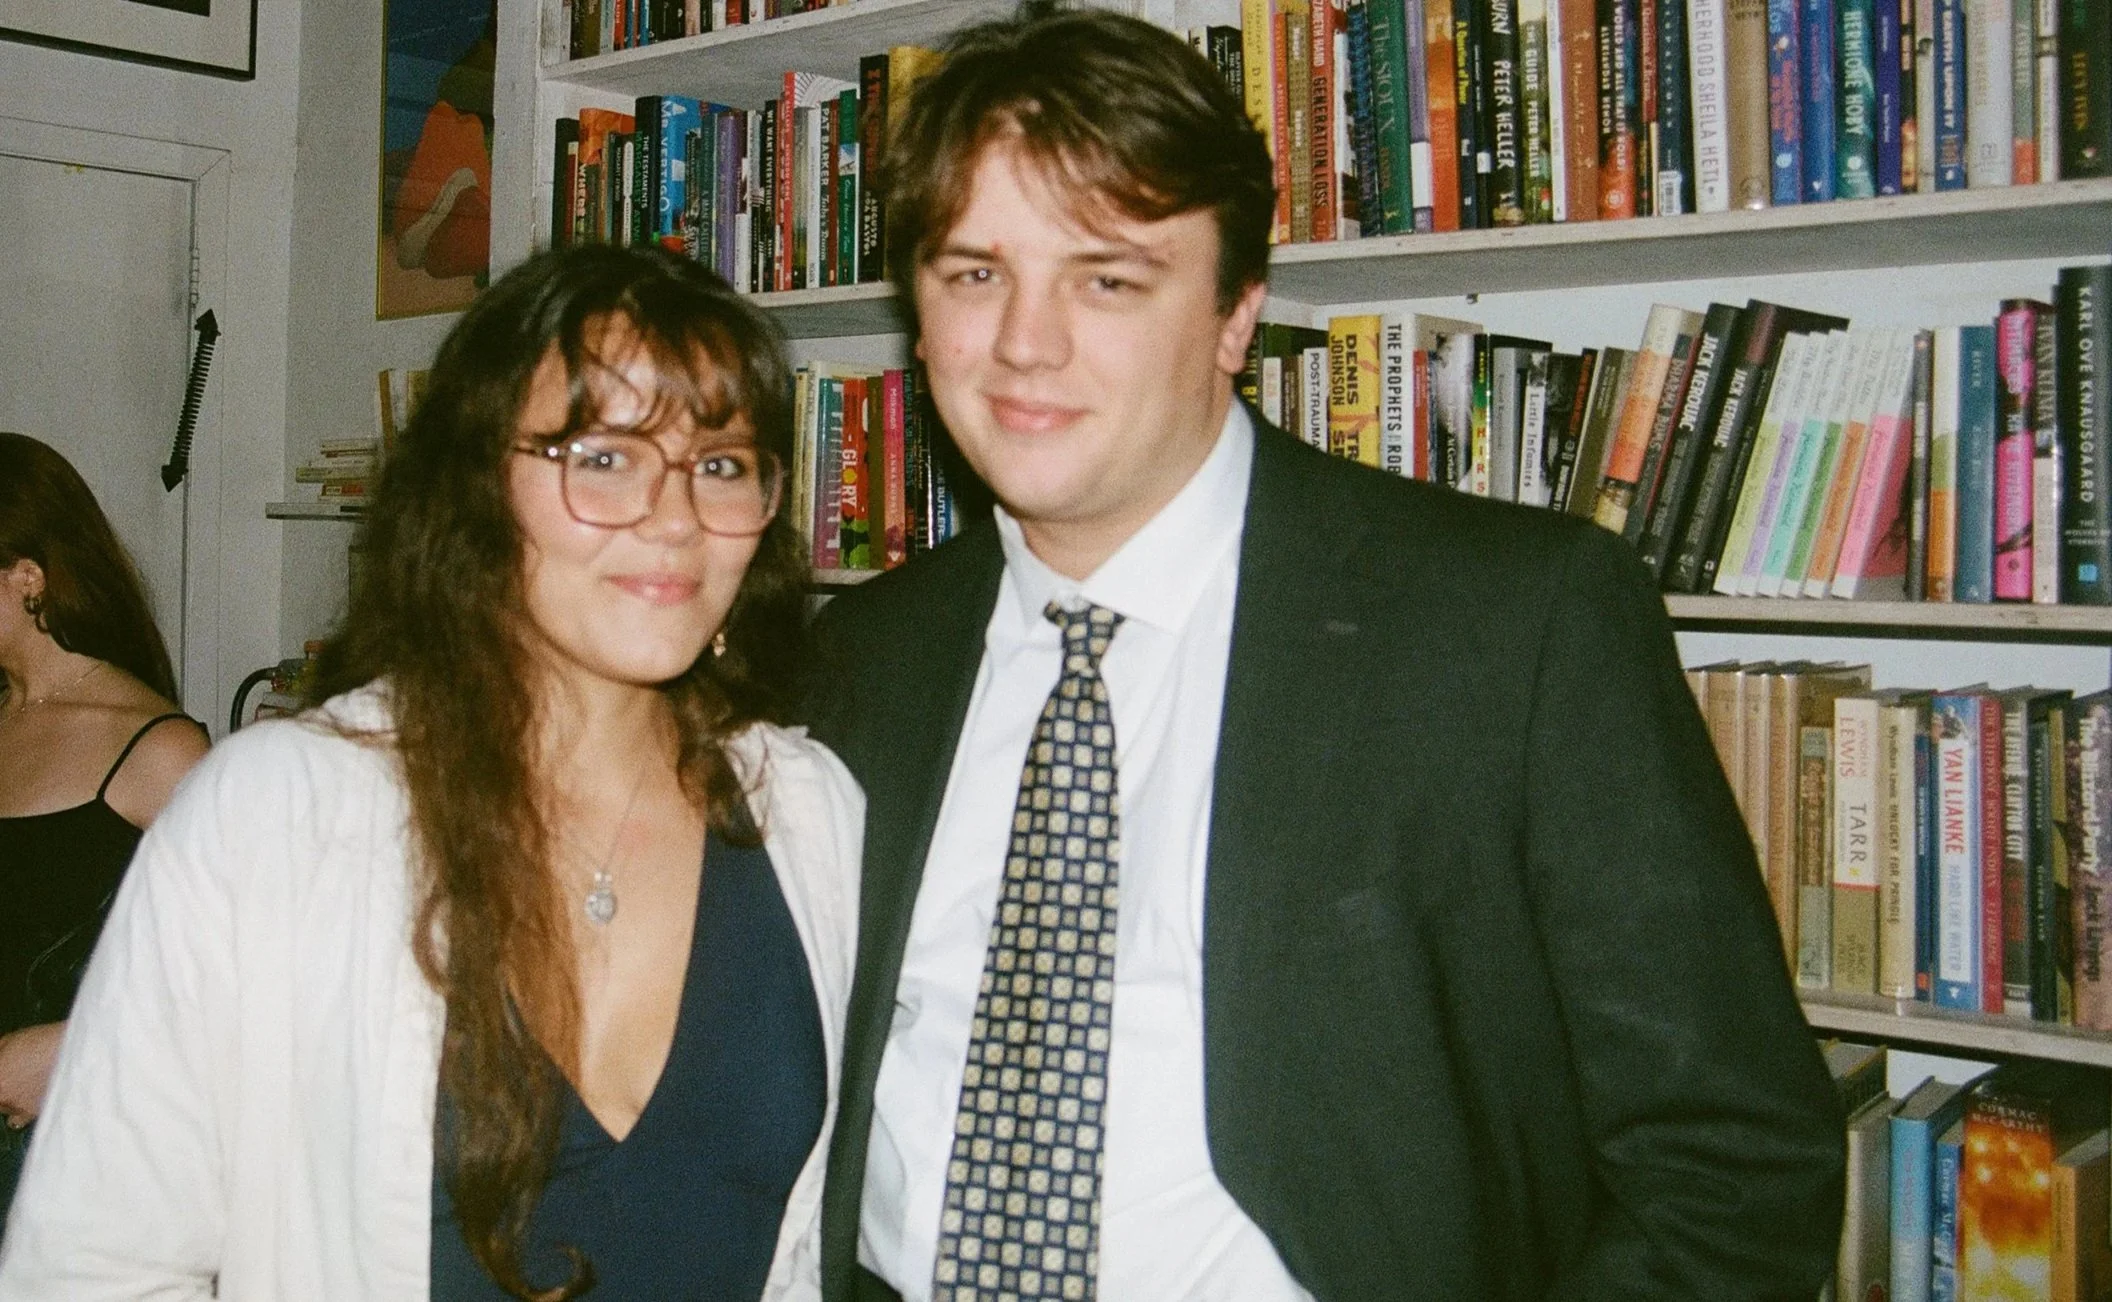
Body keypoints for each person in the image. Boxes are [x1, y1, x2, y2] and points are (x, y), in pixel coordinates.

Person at [804, 8, 1845, 1301]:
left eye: (1107, 279)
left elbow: (1737, 1166)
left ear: (1235, 314)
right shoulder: (858, 659)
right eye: (974, 274)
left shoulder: (1516, 626)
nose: (1026, 342)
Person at [0, 244, 862, 1301]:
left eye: (722, 465)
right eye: (604, 456)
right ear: (478, 487)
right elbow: (91, 1267)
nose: (677, 518)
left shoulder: (810, 813)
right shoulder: (277, 812)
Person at [0, 432, 211, 1220]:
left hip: (72, 1164)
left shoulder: (159, 749)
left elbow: (252, 973)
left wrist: (76, 1047)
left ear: (27, 578)